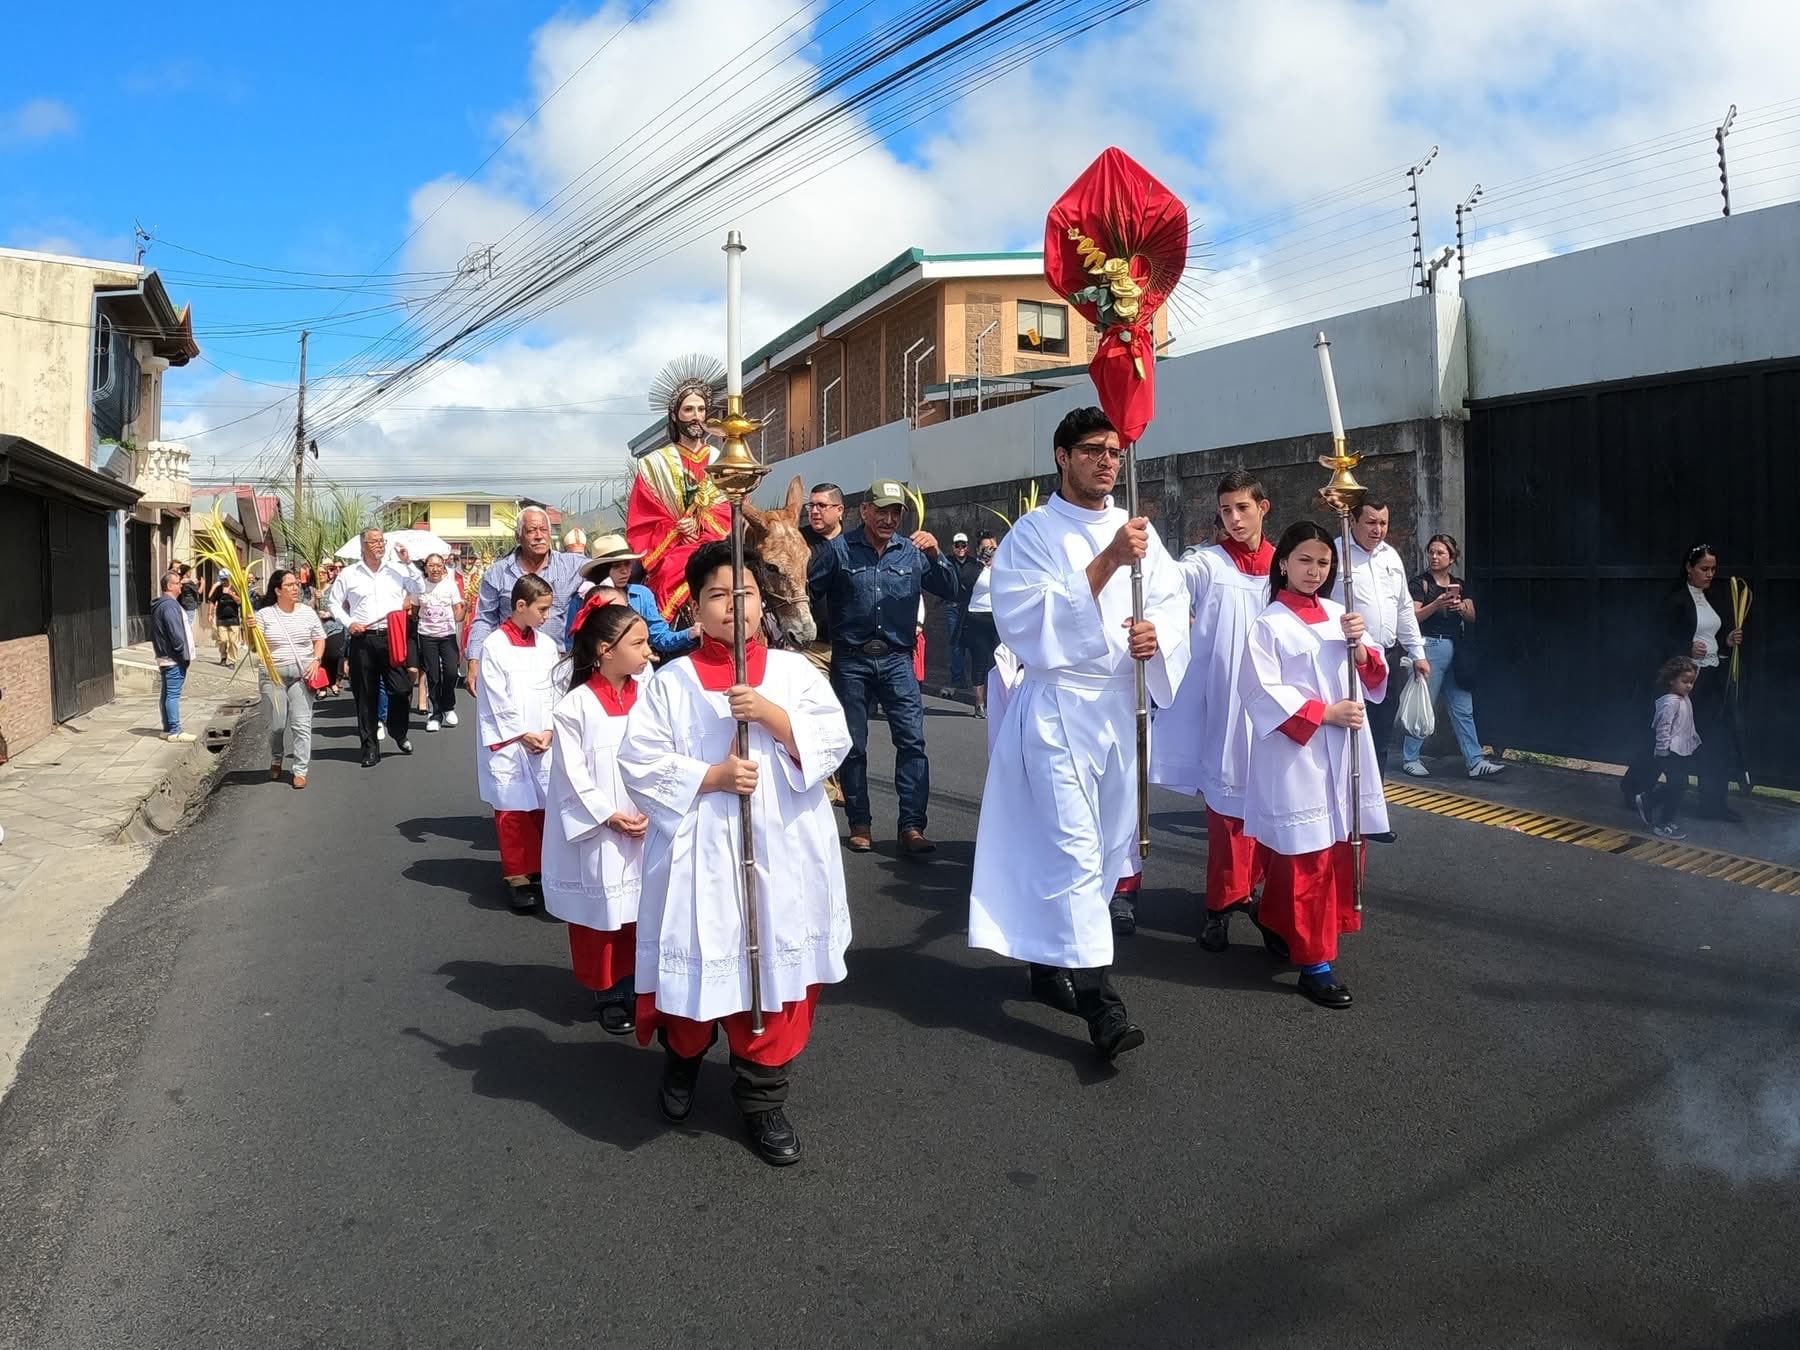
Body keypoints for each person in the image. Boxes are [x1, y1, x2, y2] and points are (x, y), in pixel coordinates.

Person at [618, 541, 853, 1166]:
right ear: (696, 607)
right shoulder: (670, 682)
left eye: (743, 593)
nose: (735, 605)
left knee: (772, 977)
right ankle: (683, 1063)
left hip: (784, 846)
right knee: (701, 964)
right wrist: (712, 777)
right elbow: (638, 761)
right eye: (719, 595)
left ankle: (762, 1100)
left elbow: (834, 741)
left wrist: (774, 716)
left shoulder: (796, 673)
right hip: (701, 852)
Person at [968, 407, 1190, 1061]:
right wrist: (1107, 562)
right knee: (1072, 849)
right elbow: (1025, 620)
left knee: (1103, 850)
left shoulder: (1141, 533)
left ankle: (1047, 965)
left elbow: (1174, 601)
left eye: (1115, 451)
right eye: (1093, 450)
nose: (1107, 461)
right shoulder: (1033, 535)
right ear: (1062, 456)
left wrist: (1160, 636)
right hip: (1060, 710)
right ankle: (1102, 1006)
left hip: (1119, 711)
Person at [1241, 520, 1390, 1009]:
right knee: (1307, 855)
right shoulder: (1269, 624)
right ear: (1283, 563)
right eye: (1304, 560)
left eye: (1323, 562)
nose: (1313, 570)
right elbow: (1260, 690)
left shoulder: (1340, 614)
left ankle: (1282, 921)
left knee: (1341, 848)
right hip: (1299, 753)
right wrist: (1322, 713)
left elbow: (1371, 675)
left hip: (1346, 748)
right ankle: (1315, 963)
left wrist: (1363, 647)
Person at [1149, 469, 1277, 951]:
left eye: (1242, 508)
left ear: (1263, 508)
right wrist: (1147, 551)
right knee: (1226, 812)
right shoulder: (1209, 562)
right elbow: (1172, 580)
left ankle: (1259, 895)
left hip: (1273, 707)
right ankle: (1220, 905)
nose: (1234, 519)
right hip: (1225, 706)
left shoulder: (1284, 565)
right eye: (1226, 510)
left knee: (1270, 807)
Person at [807, 477, 958, 856]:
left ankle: (912, 827)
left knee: (912, 742)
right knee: (854, 746)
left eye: (896, 512)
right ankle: (860, 824)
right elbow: (807, 592)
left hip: (897, 660)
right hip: (851, 660)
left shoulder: (912, 552)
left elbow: (951, 588)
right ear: (865, 511)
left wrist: (936, 554)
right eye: (882, 510)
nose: (889, 518)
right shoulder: (839, 550)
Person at [542, 600, 653, 1034]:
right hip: (600, 828)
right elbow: (571, 775)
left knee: (645, 907)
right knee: (604, 910)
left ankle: (641, 984)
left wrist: (652, 807)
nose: (648, 652)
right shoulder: (576, 707)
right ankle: (608, 991)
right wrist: (608, 815)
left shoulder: (652, 696)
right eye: (639, 643)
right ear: (607, 650)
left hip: (648, 820)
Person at [1330, 501, 1426, 843]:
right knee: (1349, 738)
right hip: (1348, 658)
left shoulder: (1390, 557)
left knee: (1380, 739)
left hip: (1385, 658)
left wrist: (1417, 651)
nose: (1378, 530)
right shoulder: (1336, 553)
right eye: (1371, 522)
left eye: (1383, 522)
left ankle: (1372, 815)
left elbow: (1402, 607)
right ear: (1352, 520)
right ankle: (1341, 811)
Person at [474, 575, 562, 912]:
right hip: (511, 742)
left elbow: (556, 687)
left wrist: (551, 728)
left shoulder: (546, 645)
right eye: (542, 609)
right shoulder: (494, 645)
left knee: (542, 807)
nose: (546, 616)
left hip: (543, 738)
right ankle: (517, 877)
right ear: (520, 606)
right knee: (513, 810)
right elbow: (496, 697)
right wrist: (522, 733)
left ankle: (540, 868)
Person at [625, 359, 732, 622]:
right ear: (675, 415)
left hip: (713, 542)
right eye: (688, 410)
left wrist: (701, 525)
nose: (696, 416)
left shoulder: (723, 459)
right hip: (672, 548)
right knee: (668, 574)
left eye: (701, 409)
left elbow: (729, 508)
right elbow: (642, 519)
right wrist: (675, 529)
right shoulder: (654, 463)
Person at [1399, 534, 1505, 779]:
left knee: (1463, 708)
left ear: (1452, 558)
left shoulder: (1460, 584)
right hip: (1429, 647)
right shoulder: (1420, 584)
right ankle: (1410, 756)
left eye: (1440, 553)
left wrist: (1462, 607)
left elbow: (1472, 617)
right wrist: (1436, 604)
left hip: (1456, 649)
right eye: (1431, 552)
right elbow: (1412, 618)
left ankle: (1475, 760)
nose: (1434, 557)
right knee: (1424, 705)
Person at [1654, 544, 1747, 821]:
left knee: (1716, 743)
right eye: (1704, 569)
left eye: (1713, 569)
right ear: (1689, 568)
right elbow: (1659, 640)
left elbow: (1708, 640)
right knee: (1673, 741)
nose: (1709, 575)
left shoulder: (1710, 600)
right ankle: (1640, 789)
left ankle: (1713, 804)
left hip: (1712, 677)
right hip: (1687, 684)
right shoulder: (1677, 600)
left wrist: (1725, 643)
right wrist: (1685, 647)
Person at [326, 526, 424, 767]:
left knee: (401, 689)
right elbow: (333, 603)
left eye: (382, 541)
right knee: (365, 695)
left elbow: (419, 590)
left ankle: (397, 730)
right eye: (375, 542)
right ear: (363, 546)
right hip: (363, 638)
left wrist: (408, 562)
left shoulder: (398, 570)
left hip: (392, 636)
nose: (380, 545)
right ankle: (370, 748)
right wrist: (350, 623)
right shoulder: (349, 574)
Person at [465, 507, 586, 696]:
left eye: (544, 530)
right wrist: (474, 660)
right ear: (518, 536)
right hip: (511, 666)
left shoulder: (571, 566)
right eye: (531, 531)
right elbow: (485, 620)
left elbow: (607, 568)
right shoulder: (498, 573)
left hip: (553, 666)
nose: (539, 536)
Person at [250, 569, 326, 789]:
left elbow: (319, 639)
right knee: (277, 724)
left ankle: (300, 769)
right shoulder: (264, 615)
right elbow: (255, 646)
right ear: (277, 590)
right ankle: (276, 757)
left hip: (302, 675)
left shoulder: (307, 613)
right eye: (290, 585)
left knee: (301, 724)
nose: (296, 588)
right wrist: (250, 628)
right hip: (272, 675)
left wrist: (316, 660)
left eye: (296, 584)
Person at [1622, 656, 1700, 840]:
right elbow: (1663, 727)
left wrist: (1698, 659)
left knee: (1679, 785)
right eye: (1685, 682)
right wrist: (1662, 750)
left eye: (1692, 682)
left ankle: (1653, 805)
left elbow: (1695, 670)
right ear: (1672, 680)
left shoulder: (1683, 696)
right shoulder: (1670, 702)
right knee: (1678, 784)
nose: (1689, 686)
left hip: (1679, 750)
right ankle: (1662, 821)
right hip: (1669, 750)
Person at [415, 554, 465, 732]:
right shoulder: (419, 585)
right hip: (427, 635)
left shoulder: (450, 585)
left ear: (443, 566)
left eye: (438, 565)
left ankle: (448, 706)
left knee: (451, 672)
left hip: (447, 635)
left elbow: (458, 612)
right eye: (431, 565)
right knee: (433, 676)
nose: (435, 569)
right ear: (425, 567)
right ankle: (435, 713)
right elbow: (414, 609)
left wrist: (463, 610)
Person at [150, 569, 197, 743]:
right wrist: (180, 651)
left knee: (167, 693)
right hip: (173, 657)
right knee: (172, 693)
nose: (181, 586)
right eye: (178, 583)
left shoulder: (163, 605)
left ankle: (168, 728)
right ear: (169, 586)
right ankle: (175, 730)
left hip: (167, 656)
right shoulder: (169, 606)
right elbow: (175, 632)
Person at [624, 561, 700, 663]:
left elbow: (659, 637)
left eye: (627, 564)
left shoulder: (642, 594)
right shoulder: (597, 597)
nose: (624, 570)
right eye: (616, 566)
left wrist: (690, 633)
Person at [961, 542, 999, 718]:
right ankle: (979, 703)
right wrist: (980, 564)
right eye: (986, 548)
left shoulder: (1002, 565)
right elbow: (964, 583)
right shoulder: (972, 567)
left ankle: (1001, 700)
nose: (990, 551)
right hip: (976, 617)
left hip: (998, 618)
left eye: (993, 548)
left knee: (1002, 660)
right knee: (980, 661)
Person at [944, 531, 976, 690]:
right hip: (952, 606)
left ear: (968, 547)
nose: (961, 548)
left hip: (969, 607)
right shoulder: (947, 562)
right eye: (958, 545)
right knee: (956, 643)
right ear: (953, 547)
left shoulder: (973, 563)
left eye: (963, 545)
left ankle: (972, 677)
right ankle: (957, 678)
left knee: (971, 642)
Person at [205, 576, 243, 666]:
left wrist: (231, 594)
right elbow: (212, 601)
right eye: (222, 580)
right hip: (221, 618)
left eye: (225, 579)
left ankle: (232, 660)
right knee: (222, 640)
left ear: (229, 579)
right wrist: (209, 613)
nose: (223, 581)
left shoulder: (236, 588)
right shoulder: (219, 589)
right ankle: (223, 657)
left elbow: (239, 601)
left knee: (233, 641)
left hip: (233, 618)